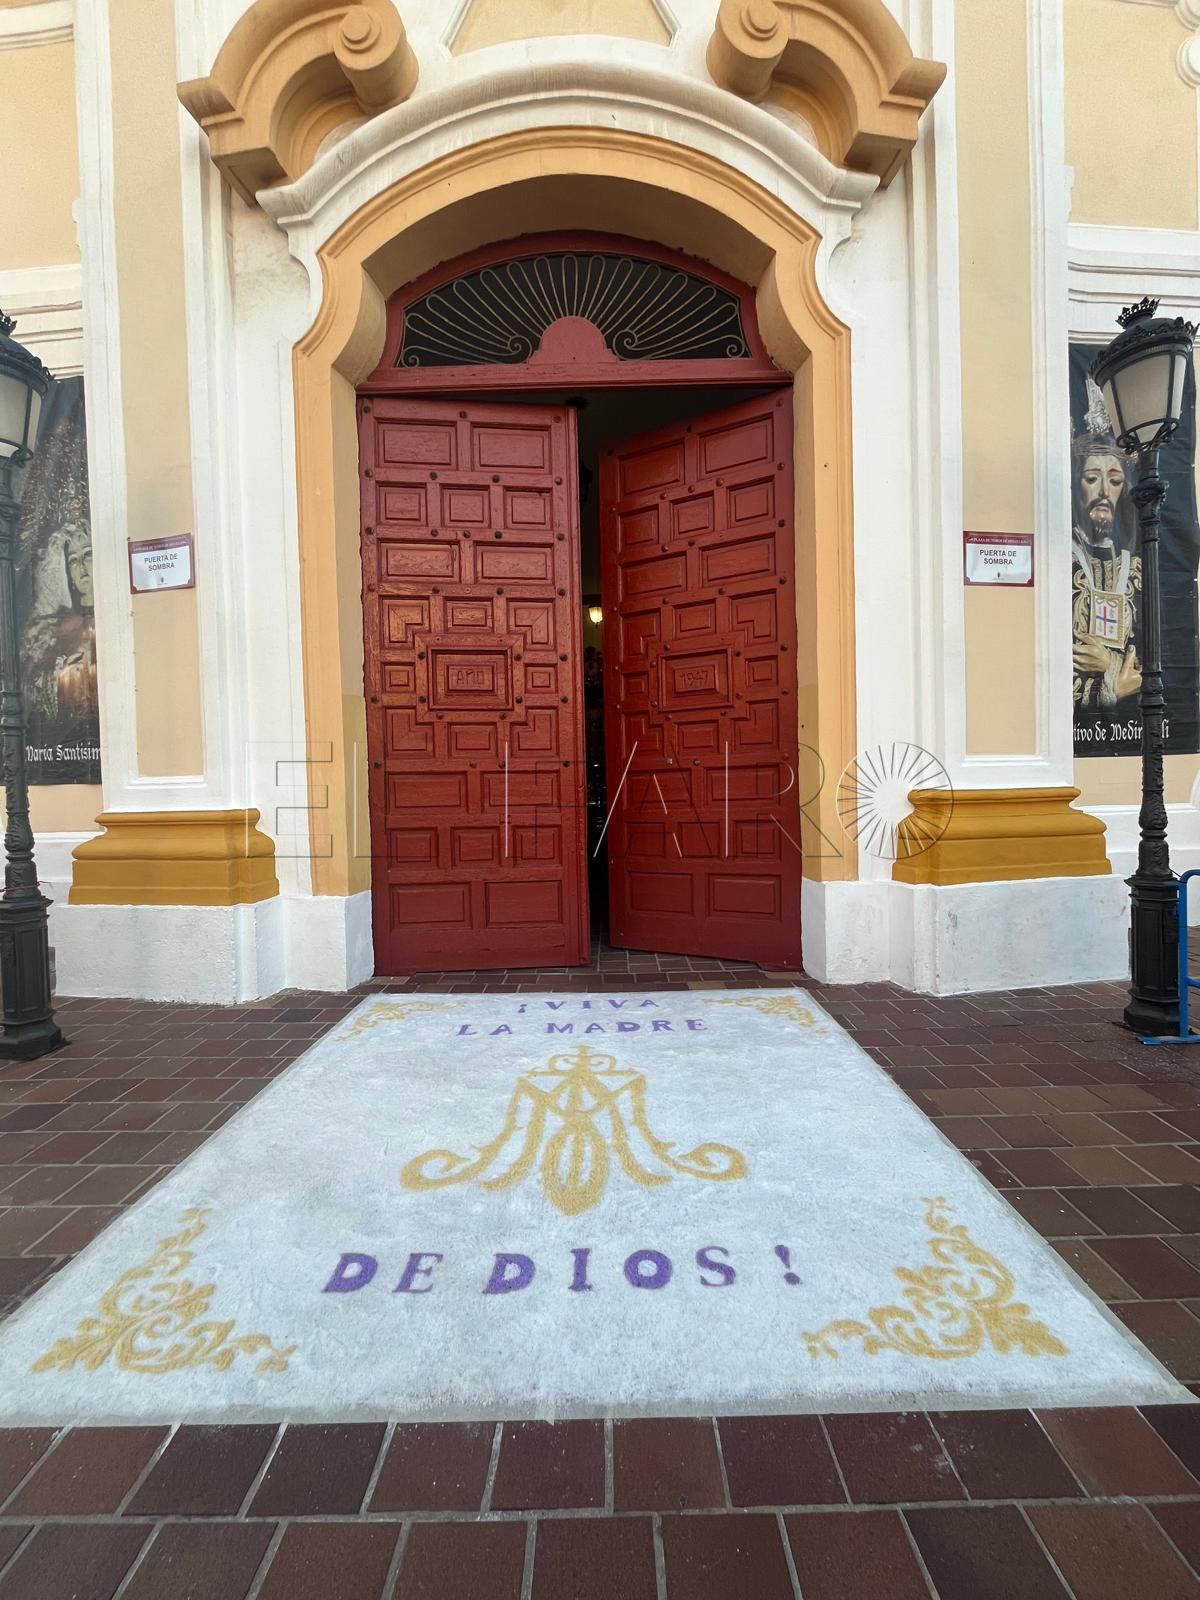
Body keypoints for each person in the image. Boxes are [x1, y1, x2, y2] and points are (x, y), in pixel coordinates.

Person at [1072, 380, 1142, 710]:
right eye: (1092, 479)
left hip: (1127, 726)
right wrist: (1115, 683)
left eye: (1114, 481)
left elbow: (1143, 671)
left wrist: (1107, 666)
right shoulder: (1061, 562)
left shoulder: (1136, 571)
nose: (1104, 491)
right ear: (1077, 486)